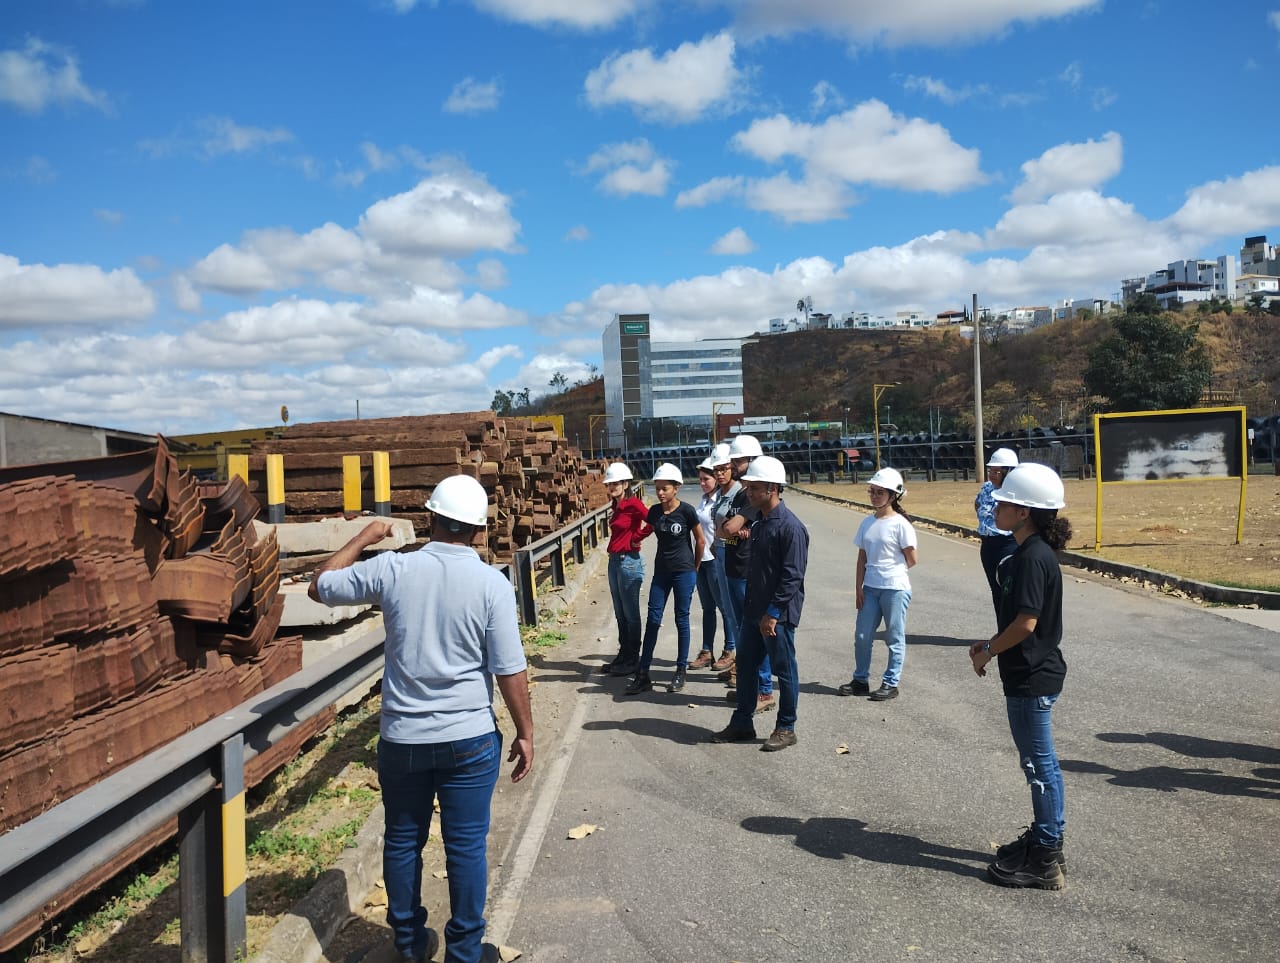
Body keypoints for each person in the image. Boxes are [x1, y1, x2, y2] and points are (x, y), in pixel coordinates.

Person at [308, 474, 533, 963]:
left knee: (403, 840)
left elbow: (320, 586)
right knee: (466, 846)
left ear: (431, 518)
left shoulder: (393, 569)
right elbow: (509, 668)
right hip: (469, 738)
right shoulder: (492, 584)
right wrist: (525, 733)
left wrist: (365, 536)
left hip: (403, 737)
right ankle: (465, 953)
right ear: (479, 530)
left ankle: (409, 946)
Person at [968, 462, 1071, 890]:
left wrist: (988, 651)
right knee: (1040, 765)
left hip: (1031, 676)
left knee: (1039, 766)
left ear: (1025, 512)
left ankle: (1046, 856)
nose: (996, 506)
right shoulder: (1028, 552)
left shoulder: (1031, 558)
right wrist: (990, 644)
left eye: (1005, 501)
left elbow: (1027, 624)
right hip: (1030, 671)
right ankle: (1044, 839)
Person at [710, 455, 809, 752]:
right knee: (748, 667)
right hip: (754, 611)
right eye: (749, 487)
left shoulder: (791, 528)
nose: (750, 493)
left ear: (773, 488)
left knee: (784, 669)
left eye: (755, 488)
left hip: (776, 616)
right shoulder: (761, 522)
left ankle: (786, 726)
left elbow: (792, 577)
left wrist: (774, 613)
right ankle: (742, 722)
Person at [627, 462, 705, 695]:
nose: (660, 493)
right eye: (658, 488)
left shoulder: (688, 511)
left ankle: (680, 671)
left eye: (665, 488)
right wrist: (631, 540)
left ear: (676, 488)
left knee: (681, 619)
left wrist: (695, 568)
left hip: (684, 572)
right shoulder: (655, 512)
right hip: (661, 572)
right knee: (653, 619)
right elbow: (647, 530)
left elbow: (700, 541)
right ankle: (643, 674)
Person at [841, 467, 918, 702]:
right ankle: (860, 680)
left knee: (894, 636)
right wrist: (858, 588)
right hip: (870, 589)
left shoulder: (901, 524)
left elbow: (912, 559)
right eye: (871, 491)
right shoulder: (866, 523)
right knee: (863, 635)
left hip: (895, 588)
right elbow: (862, 558)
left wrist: (890, 569)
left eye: (879, 492)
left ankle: (890, 682)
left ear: (893, 495)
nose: (874, 496)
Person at [715, 434, 776, 714]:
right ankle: (750, 689)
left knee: (753, 631)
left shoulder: (753, 495)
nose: (734, 465)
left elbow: (726, 530)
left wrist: (730, 529)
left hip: (747, 569)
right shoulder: (741, 494)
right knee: (744, 632)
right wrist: (730, 529)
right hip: (734, 566)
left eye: (738, 461)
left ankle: (764, 691)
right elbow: (722, 530)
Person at [601, 461, 652, 677]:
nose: (612, 486)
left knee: (631, 614)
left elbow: (653, 522)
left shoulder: (633, 504)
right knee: (620, 613)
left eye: (616, 483)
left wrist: (636, 538)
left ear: (625, 483)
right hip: (614, 561)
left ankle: (633, 658)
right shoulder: (615, 506)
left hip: (628, 562)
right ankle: (624, 653)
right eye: (609, 483)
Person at [691, 450, 734, 669]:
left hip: (717, 560)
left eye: (706, 479)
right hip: (702, 560)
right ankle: (707, 650)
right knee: (707, 608)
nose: (703, 483)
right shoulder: (703, 500)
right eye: (700, 480)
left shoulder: (722, 501)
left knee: (725, 608)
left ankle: (730, 649)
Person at [976, 448, 1019, 618]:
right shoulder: (986, 487)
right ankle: (1002, 629)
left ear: (1009, 472)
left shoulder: (1016, 491)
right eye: (990, 471)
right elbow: (978, 504)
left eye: (997, 471)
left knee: (1009, 589)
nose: (992, 475)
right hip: (988, 544)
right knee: (996, 589)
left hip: (1008, 544)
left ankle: (1015, 630)